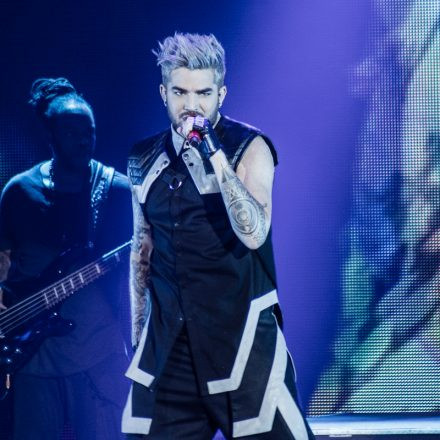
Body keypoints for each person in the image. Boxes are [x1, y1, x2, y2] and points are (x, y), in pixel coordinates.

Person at [122, 33, 314, 440]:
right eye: (180, 92)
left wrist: (213, 153)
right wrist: (138, 333)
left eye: (203, 93)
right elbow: (142, 249)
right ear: (163, 93)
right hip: (171, 346)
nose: (191, 105)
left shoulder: (250, 147)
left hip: (241, 340)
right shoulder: (142, 157)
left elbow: (254, 234)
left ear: (221, 94)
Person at [0, 77, 131, 439]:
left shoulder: (117, 190)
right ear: (50, 137)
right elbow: (2, 262)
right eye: (71, 132)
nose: (83, 139)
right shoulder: (20, 192)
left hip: (97, 352)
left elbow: (144, 265)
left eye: (89, 131)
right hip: (32, 357)